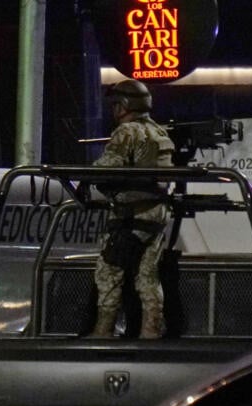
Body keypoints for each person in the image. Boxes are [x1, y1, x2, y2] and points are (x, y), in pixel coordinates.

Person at [90, 78, 174, 339]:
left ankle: (103, 332)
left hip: (132, 215)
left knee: (109, 271)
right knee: (147, 277)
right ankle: (151, 330)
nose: (114, 111)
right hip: (156, 215)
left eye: (116, 105)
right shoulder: (160, 132)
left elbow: (105, 169)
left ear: (124, 105)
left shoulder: (127, 132)